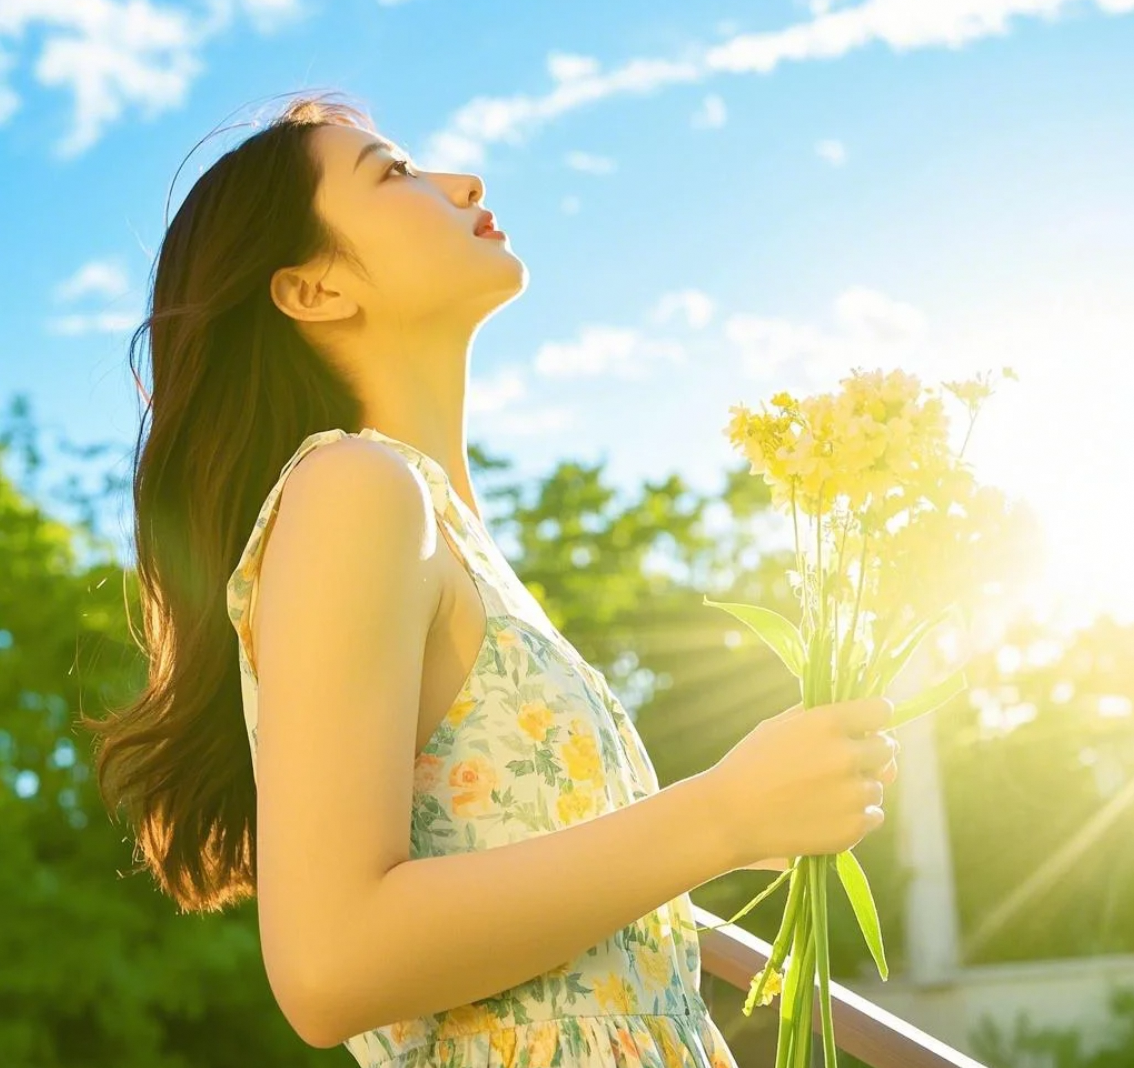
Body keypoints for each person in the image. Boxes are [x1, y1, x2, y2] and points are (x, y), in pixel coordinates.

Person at [82, 91, 899, 1066]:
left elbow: (552, 925)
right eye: (393, 172)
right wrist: (722, 814)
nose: (463, 180)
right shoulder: (355, 489)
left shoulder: (456, 543)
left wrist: (744, 836)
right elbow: (330, 964)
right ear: (311, 291)